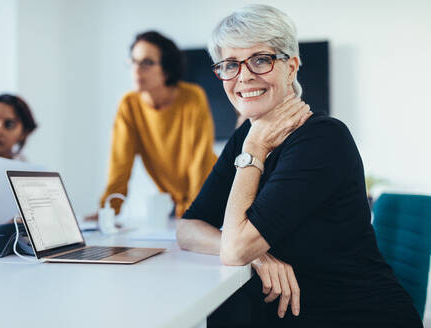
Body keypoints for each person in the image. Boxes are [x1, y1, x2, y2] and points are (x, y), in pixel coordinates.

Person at [176, 4, 422, 328]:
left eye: (260, 60)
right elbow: (188, 228)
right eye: (230, 64)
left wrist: (254, 147)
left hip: (358, 316)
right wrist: (260, 255)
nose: (244, 76)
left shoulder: (322, 139)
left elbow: (235, 250)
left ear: (291, 67)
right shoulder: (246, 136)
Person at [92, 31, 217, 219]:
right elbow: (120, 164)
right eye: (133, 61)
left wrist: (194, 211)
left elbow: (199, 160)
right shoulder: (129, 105)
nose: (136, 69)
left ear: (167, 69)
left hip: (211, 195)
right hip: (178, 206)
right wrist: (108, 212)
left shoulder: (192, 97)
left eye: (147, 63)